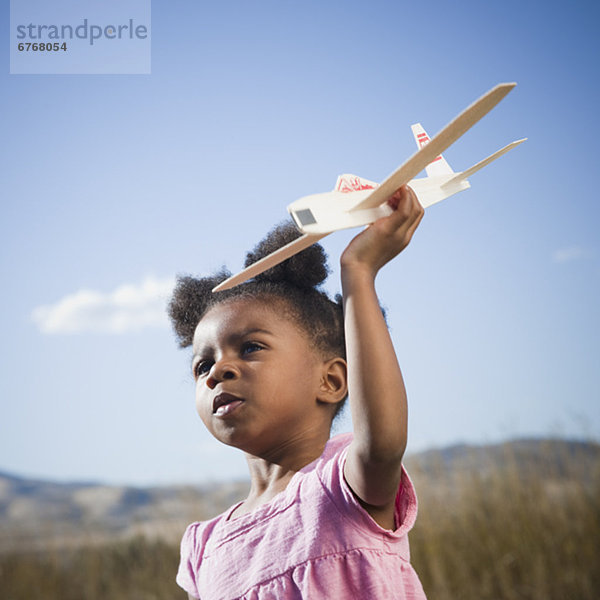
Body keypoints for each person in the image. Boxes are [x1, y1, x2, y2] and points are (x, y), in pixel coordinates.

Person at [168, 185, 427, 599]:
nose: (219, 370)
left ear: (331, 382)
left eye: (250, 347)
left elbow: (382, 445)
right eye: (203, 366)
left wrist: (358, 269)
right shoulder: (204, 549)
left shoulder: (344, 489)